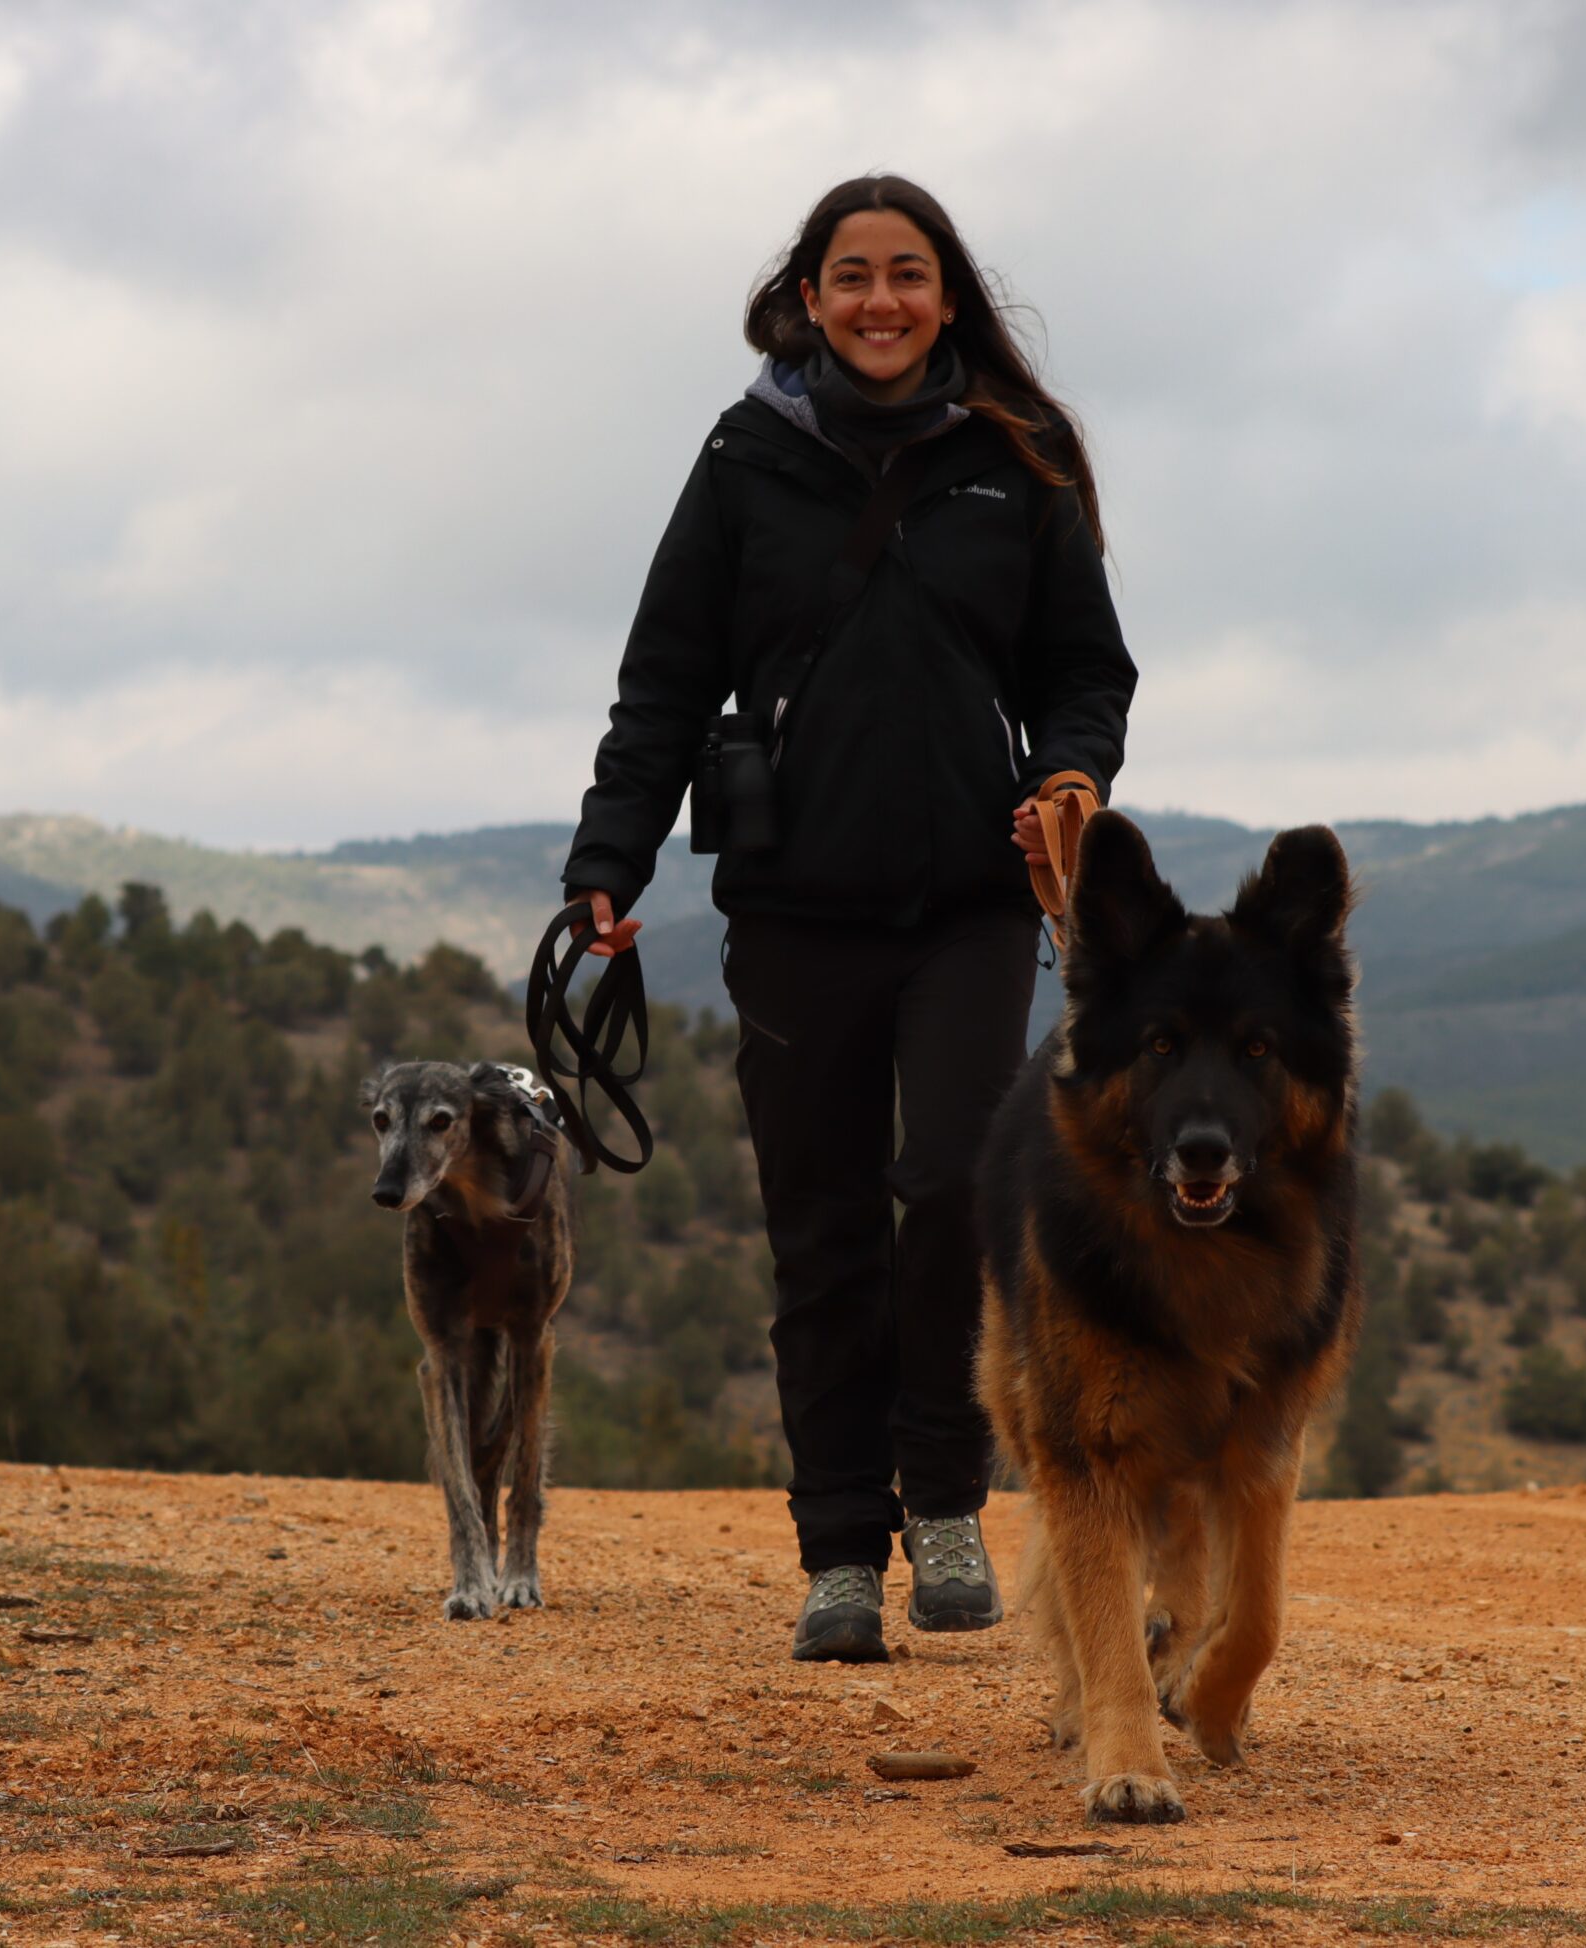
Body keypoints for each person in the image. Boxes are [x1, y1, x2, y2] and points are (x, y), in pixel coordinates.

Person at [560, 174, 1136, 1662]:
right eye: (854, 276)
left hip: (969, 904)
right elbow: (664, 683)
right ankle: (835, 1554)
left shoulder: (1018, 456)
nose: (882, 300)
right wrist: (609, 862)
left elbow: (1085, 670)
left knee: (948, 1188)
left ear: (948, 297)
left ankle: (942, 1499)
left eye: (908, 274)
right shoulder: (744, 458)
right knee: (818, 1231)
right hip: (792, 904)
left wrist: (1070, 773)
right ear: (808, 297)